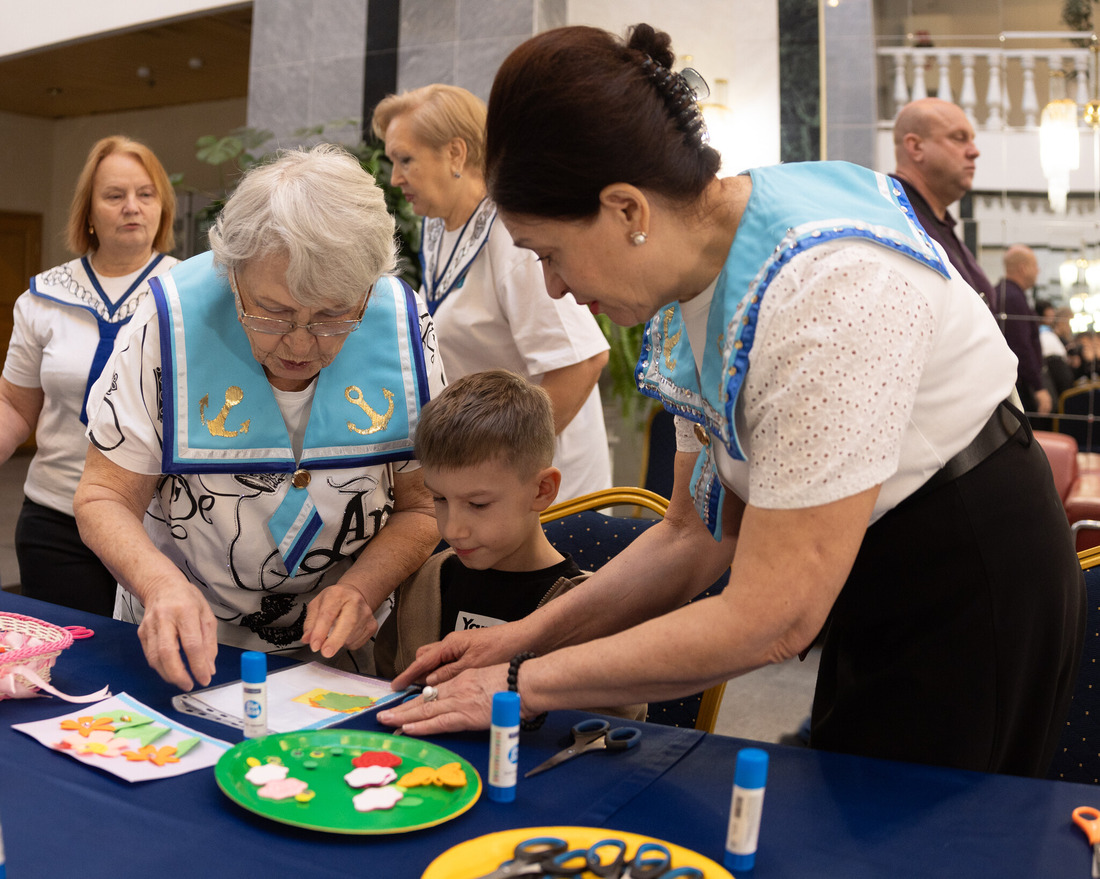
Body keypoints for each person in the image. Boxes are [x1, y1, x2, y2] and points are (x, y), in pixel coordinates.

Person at [378, 23, 1085, 778]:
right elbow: (692, 533)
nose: (554, 286)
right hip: (868, 567)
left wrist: (518, 685)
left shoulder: (829, 290)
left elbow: (772, 616)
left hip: (969, 573)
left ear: (626, 210)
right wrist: (520, 639)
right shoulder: (697, 279)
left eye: (550, 253)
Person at [72, 144, 444, 691]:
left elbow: (425, 505)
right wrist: (159, 586)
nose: (300, 343)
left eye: (332, 317)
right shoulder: (167, 318)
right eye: (273, 313)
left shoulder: (403, 326)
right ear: (234, 273)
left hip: (336, 652)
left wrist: (363, 586)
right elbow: (103, 496)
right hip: (183, 635)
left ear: (367, 292)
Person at [371, 84, 612, 502]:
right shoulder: (439, 228)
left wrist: (499, 463)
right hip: (485, 487)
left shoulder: (511, 236)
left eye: (405, 160)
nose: (395, 178)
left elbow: (583, 361)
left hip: (544, 492)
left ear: (456, 154)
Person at [372, 368, 644, 720]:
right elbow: (385, 687)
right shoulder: (423, 584)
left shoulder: (587, 609)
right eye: (439, 499)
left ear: (542, 490)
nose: (453, 529)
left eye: (478, 504)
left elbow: (615, 726)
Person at [0, 135, 179, 615]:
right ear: (89, 212)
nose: (132, 207)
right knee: (66, 665)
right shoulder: (42, 297)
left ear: (163, 208)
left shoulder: (192, 296)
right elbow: (16, 407)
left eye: (146, 194)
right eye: (114, 195)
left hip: (162, 525)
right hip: (56, 520)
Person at [891, 97, 996, 303]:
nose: (974, 151)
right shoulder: (894, 220)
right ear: (916, 147)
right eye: (959, 138)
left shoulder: (935, 220)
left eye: (972, 140)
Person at [991, 245, 1051, 416]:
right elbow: (1021, 346)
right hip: (1017, 387)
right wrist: (1038, 387)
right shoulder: (1012, 298)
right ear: (1023, 268)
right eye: (1035, 266)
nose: (1038, 271)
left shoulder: (1007, 293)